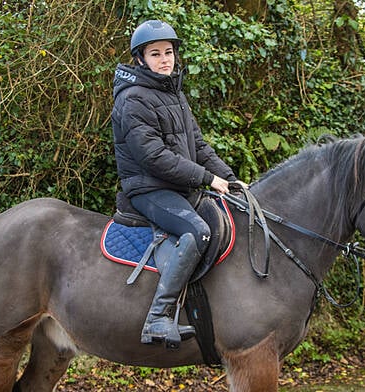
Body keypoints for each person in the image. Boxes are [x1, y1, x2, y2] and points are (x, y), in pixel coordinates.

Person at [111, 20, 242, 348]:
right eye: (155, 54)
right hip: (148, 189)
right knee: (197, 231)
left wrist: (230, 179)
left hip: (177, 187)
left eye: (168, 52)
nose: (164, 59)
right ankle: (157, 317)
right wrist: (207, 179)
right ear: (141, 59)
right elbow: (154, 157)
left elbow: (198, 147)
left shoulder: (173, 93)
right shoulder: (133, 99)